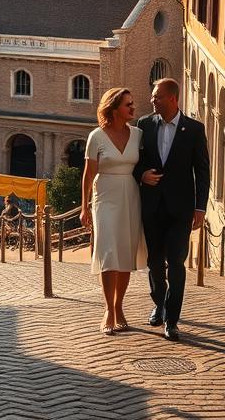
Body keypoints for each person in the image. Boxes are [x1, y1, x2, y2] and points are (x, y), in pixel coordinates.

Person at [133, 77, 210, 342]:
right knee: (154, 263)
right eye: (153, 96)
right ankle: (160, 303)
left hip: (181, 210)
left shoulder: (195, 129)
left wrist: (200, 208)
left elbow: (202, 171)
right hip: (152, 207)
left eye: (157, 96)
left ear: (173, 99)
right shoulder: (144, 125)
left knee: (176, 263)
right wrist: (141, 175)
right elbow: (135, 161)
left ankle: (172, 320)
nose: (152, 100)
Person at [79, 87, 145, 335]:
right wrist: (84, 207)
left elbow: (144, 165)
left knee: (125, 253)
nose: (133, 107)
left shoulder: (138, 134)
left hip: (131, 194)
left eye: (132, 103)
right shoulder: (96, 136)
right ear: (114, 108)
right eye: (128, 104)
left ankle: (119, 306)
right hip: (105, 195)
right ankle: (108, 308)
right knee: (108, 252)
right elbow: (88, 175)